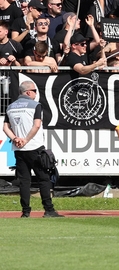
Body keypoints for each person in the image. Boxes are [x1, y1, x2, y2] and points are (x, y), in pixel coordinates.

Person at [2, 81, 62, 218]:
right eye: (35, 90)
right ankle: (49, 210)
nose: (36, 93)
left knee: (24, 181)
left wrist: (16, 138)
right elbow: (36, 126)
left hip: (18, 149)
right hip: (34, 147)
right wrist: (26, 140)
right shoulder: (35, 105)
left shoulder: (10, 107)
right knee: (44, 179)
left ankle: (25, 212)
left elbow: (5, 127)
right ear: (28, 92)